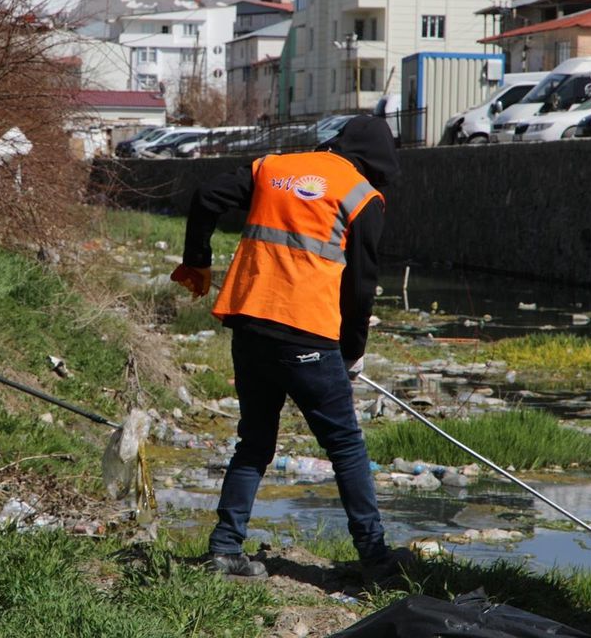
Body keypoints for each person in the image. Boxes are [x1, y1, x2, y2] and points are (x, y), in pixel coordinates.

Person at [170, 115, 413, 583]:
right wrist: (352, 352)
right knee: (345, 446)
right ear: (377, 162)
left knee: (255, 442)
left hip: (249, 324)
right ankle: (376, 560)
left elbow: (205, 197)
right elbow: (360, 286)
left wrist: (197, 260)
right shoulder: (361, 195)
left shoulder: (273, 169)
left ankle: (224, 550)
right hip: (308, 335)